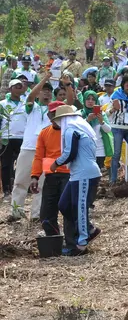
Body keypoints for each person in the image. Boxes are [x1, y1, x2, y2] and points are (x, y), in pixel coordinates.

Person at [51, 105, 102, 256]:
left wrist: (56, 163)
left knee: (79, 207)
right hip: (77, 174)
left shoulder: (70, 130)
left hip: (84, 174)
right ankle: (90, 229)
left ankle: (81, 243)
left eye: (59, 120)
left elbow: (70, 153)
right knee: (65, 205)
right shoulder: (81, 129)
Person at [31, 102, 73, 248]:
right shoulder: (44, 133)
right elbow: (38, 156)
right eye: (52, 114)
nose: (55, 117)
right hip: (51, 176)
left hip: (69, 175)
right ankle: (55, 241)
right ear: (49, 116)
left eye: (58, 114)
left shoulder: (72, 131)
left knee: (68, 210)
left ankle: (71, 243)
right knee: (46, 216)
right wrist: (35, 176)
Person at [10, 77, 53, 220]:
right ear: (38, 93)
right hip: (28, 148)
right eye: (44, 91)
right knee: (20, 181)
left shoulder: (53, 110)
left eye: (49, 91)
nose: (46, 94)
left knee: (42, 184)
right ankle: (16, 212)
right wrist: (45, 79)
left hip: (46, 151)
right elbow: (30, 96)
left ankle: (36, 215)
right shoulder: (30, 107)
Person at [1, 79, 28, 197]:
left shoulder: (26, 103)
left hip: (22, 137)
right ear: (10, 88)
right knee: (6, 164)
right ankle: (7, 190)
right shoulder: (2, 104)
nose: (18, 89)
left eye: (20, 87)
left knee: (22, 164)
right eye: (16, 87)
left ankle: (21, 188)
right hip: (6, 137)